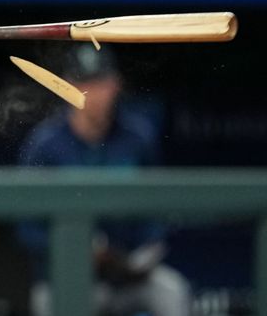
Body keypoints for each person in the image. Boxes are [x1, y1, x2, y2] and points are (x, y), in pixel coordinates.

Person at [17, 44, 191, 316]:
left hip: (129, 278)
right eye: (83, 83)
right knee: (49, 302)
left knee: (171, 291)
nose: (93, 93)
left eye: (101, 83)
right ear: (67, 87)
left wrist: (141, 254)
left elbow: (156, 210)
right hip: (67, 276)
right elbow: (28, 227)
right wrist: (76, 250)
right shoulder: (44, 144)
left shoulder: (137, 137)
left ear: (116, 85)